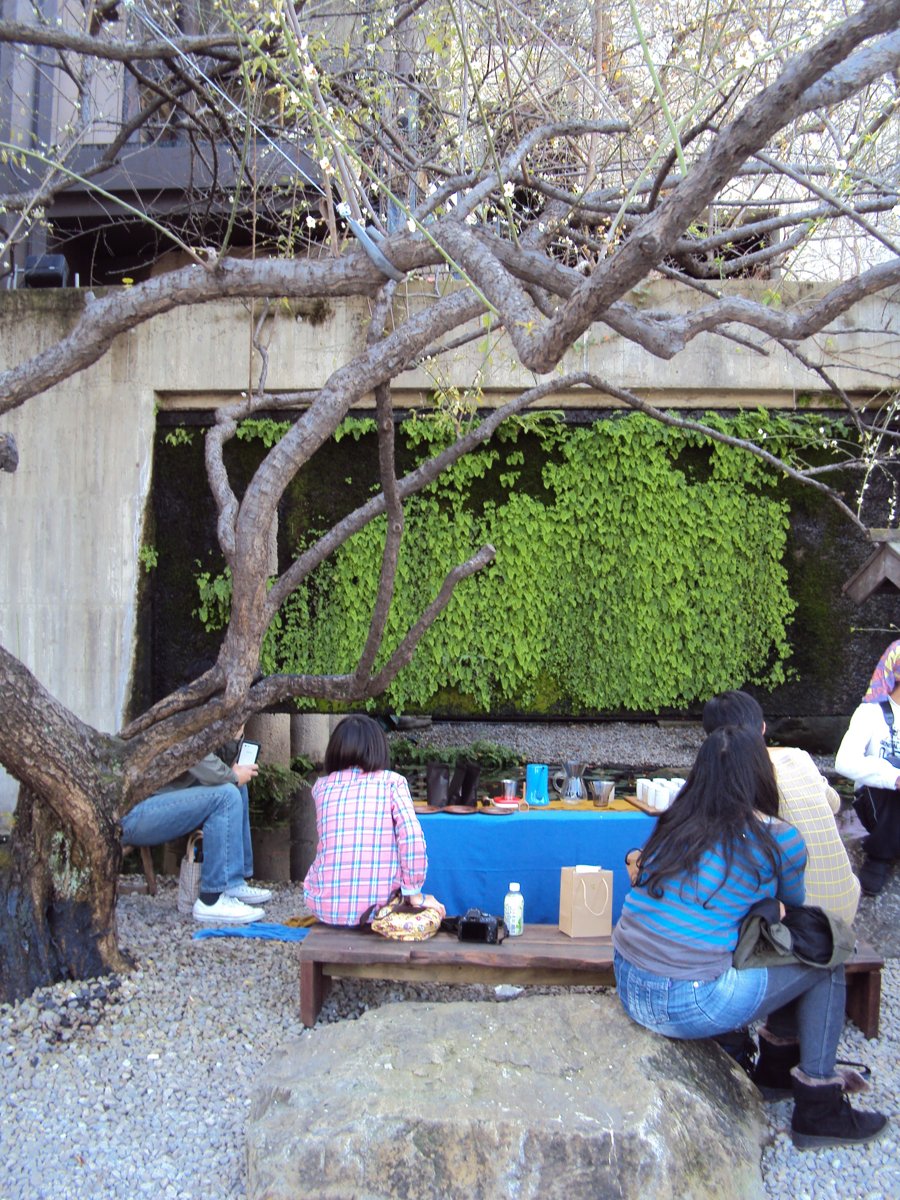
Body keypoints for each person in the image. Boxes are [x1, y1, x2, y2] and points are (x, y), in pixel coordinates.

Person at [613, 725, 887, 1149]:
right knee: (824, 950)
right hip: (689, 1002)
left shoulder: (672, 824)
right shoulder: (777, 839)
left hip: (629, 982)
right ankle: (818, 1105)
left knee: (783, 942)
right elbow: (794, 906)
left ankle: (777, 1073)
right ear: (761, 775)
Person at [703, 691, 859, 924]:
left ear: (713, 739)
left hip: (803, 920)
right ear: (763, 728)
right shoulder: (798, 757)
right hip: (846, 901)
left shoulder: (739, 777)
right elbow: (835, 803)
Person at [303, 714, 442, 926]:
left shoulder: (321, 788)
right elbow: (411, 838)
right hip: (379, 910)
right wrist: (413, 891)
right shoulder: (392, 783)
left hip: (324, 908)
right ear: (378, 748)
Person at [121, 737, 272, 924]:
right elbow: (198, 757)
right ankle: (212, 900)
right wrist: (233, 776)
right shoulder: (182, 720)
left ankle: (231, 882)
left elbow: (217, 763)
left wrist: (233, 738)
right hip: (132, 812)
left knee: (237, 789)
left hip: (153, 801)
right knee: (227, 794)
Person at [835, 639, 900, 896]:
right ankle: (879, 856)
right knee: (891, 773)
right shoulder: (870, 713)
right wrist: (894, 777)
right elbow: (843, 761)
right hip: (880, 805)